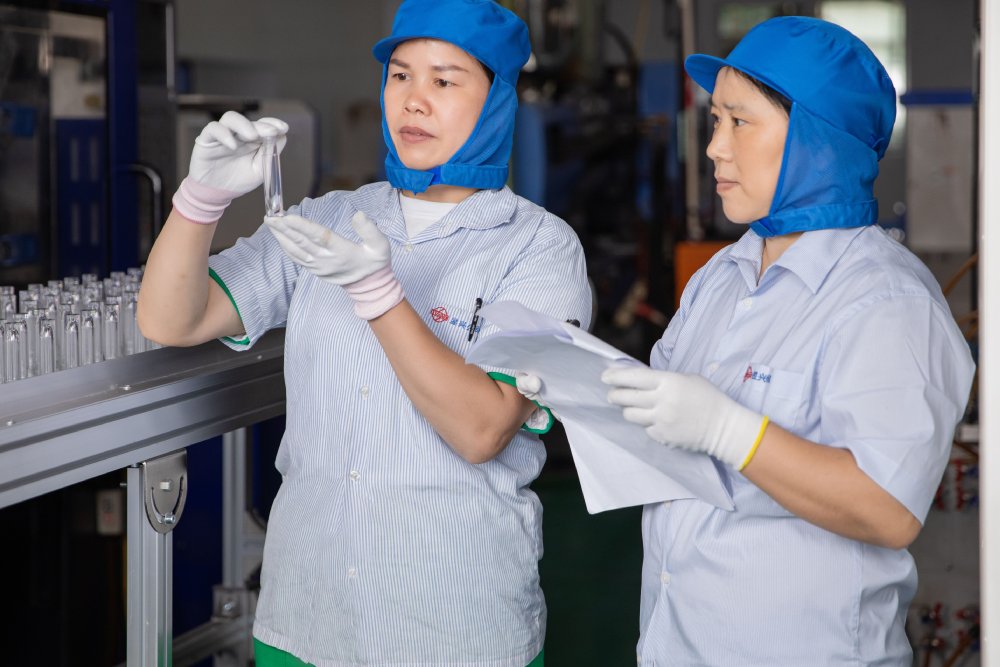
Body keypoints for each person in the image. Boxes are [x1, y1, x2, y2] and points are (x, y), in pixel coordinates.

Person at [137, 1, 592, 665]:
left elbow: (482, 429)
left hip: (452, 627)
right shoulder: (331, 216)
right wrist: (200, 199)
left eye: (444, 80)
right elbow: (171, 318)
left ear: (496, 99)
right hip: (305, 620)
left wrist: (378, 294)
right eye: (400, 75)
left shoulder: (540, 249)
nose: (414, 100)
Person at [523, 16, 974, 665]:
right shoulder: (722, 276)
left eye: (740, 121)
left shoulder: (885, 301)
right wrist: (576, 395)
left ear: (817, 141)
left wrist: (731, 431)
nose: (714, 148)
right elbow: (666, 440)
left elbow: (886, 507)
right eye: (715, 121)